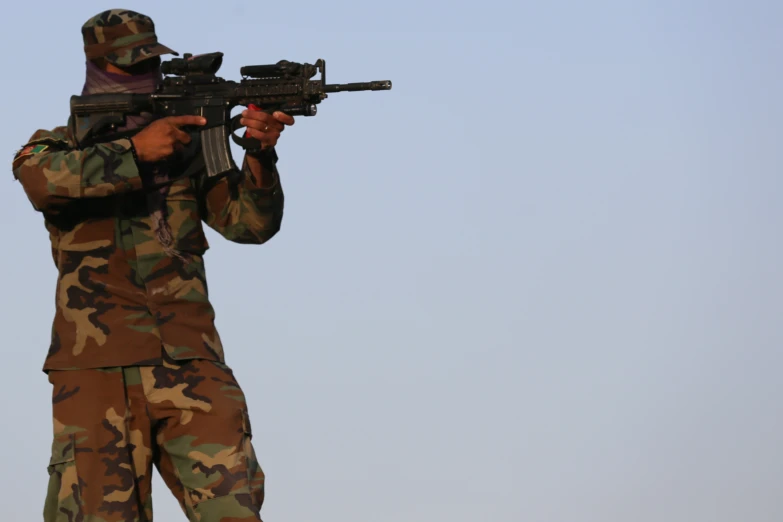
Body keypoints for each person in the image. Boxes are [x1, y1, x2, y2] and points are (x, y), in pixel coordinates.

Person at [11, 9, 294, 522]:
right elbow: (40, 182)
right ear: (98, 70)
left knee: (236, 510)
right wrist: (134, 153)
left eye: (151, 65)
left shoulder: (185, 149)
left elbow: (248, 225)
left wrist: (259, 155)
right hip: (96, 371)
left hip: (192, 361)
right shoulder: (55, 146)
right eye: (130, 67)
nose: (146, 77)